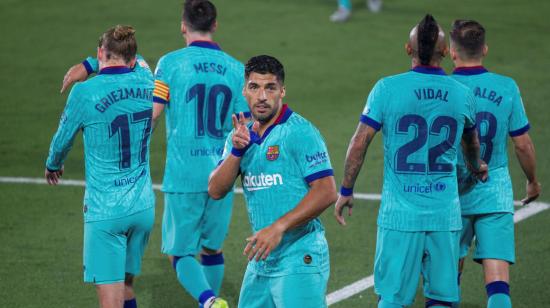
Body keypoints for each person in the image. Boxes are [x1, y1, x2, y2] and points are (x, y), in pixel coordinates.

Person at [334, 14, 488, 308]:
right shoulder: (462, 94)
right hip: (444, 215)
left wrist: (346, 189)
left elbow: (359, 142)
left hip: (399, 217)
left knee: (392, 299)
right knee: (442, 299)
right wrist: (476, 165)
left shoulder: (386, 88)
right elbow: (472, 144)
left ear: (408, 49)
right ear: (445, 52)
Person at [208, 55, 337, 307]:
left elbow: (326, 191)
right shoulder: (240, 135)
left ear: (282, 91)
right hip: (261, 259)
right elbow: (215, 190)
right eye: (255, 87)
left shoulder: (300, 132)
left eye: (270, 88)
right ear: (244, 91)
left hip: (299, 256)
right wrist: (236, 152)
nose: (262, 96)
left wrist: (278, 228)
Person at [45, 25, 155, 308]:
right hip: (143, 207)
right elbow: (139, 60)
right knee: (127, 287)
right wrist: (93, 63)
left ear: (99, 53)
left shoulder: (85, 92)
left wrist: (52, 164)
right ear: (130, 59)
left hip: (106, 212)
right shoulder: (147, 80)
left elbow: (62, 141)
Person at [151, 1, 250, 307]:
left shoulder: (169, 64)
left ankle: (208, 301)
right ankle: (209, 302)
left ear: (183, 25)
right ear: (215, 25)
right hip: (223, 171)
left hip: (184, 175)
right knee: (212, 248)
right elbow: (245, 126)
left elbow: (153, 114)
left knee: (179, 252)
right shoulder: (236, 69)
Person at [449, 19, 541, 308]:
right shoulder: (506, 87)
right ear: (485, 49)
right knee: (498, 283)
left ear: (452, 51)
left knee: (447, 278)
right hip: (495, 192)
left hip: (452, 194)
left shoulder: (443, 88)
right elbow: (522, 144)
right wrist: (532, 180)